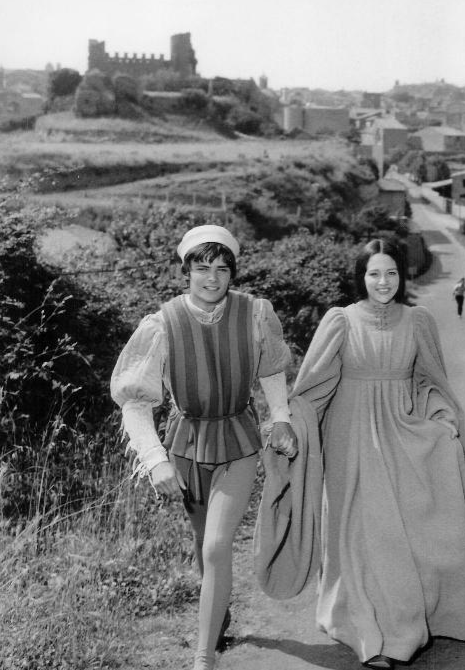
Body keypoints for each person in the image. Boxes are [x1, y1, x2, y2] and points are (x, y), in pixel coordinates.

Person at [257, 238, 465, 670]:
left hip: (402, 436)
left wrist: (443, 421)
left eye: (391, 272)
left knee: (400, 536)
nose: (383, 281)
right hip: (350, 440)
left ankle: (402, 627)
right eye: (374, 273)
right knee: (360, 536)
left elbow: (430, 383)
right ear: (361, 276)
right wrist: (287, 422)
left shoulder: (418, 321)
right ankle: (367, 633)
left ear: (401, 276)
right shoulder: (340, 321)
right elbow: (313, 386)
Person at [111, 224, 297, 670]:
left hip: (238, 439)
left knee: (215, 545)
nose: (212, 278)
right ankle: (219, 615)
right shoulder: (162, 324)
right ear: (186, 271)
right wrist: (155, 460)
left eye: (221, 269)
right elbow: (135, 402)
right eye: (201, 268)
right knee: (201, 540)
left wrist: (281, 418)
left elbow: (271, 370)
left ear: (232, 272)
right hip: (186, 443)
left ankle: (203, 655)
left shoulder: (255, 313)